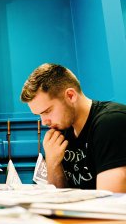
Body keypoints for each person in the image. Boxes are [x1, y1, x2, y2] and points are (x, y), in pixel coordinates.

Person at [20, 63, 126, 192]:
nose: (44, 122)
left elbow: (111, 204)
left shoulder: (110, 123)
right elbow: (58, 197)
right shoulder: (62, 130)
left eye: (47, 111)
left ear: (70, 95)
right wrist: (53, 163)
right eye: (39, 115)